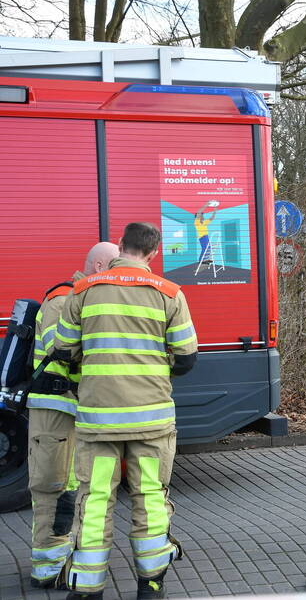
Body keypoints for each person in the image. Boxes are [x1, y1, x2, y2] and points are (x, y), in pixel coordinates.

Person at [55, 223, 197, 600]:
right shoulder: (169, 294)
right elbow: (186, 358)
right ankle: (150, 585)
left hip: (99, 419)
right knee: (150, 498)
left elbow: (62, 349)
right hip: (151, 421)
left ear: (120, 245)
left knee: (96, 498)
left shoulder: (84, 291)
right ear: (153, 253)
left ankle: (87, 588)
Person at [27, 242, 118, 589]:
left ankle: (62, 559)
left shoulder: (82, 300)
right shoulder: (62, 301)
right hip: (55, 412)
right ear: (98, 266)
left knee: (70, 488)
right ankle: (47, 569)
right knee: (52, 487)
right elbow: (60, 356)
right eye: (112, 268)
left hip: (70, 412)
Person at [194, 201, 217, 266]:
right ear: (198, 216)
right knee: (205, 248)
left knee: (208, 248)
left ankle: (205, 259)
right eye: (202, 215)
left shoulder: (204, 222)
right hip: (202, 237)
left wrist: (214, 210)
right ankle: (201, 261)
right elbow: (198, 212)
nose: (203, 215)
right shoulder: (196, 222)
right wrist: (206, 204)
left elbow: (212, 218)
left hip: (206, 237)